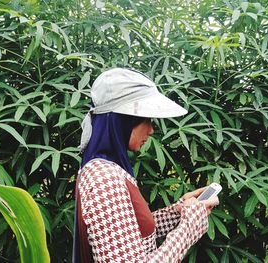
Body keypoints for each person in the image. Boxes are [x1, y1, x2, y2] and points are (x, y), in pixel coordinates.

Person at [73, 68, 219, 262]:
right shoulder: (104, 179)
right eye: (146, 119)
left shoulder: (106, 169)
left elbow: (130, 235)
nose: (151, 130)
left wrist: (178, 212)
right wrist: (189, 227)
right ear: (123, 120)